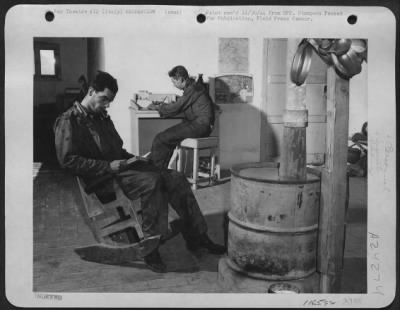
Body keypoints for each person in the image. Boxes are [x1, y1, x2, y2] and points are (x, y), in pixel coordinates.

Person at [54, 71, 225, 273]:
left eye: (109, 101)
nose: (107, 105)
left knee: (175, 177)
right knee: (152, 181)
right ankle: (151, 247)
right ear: (91, 91)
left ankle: (197, 237)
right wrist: (108, 166)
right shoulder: (69, 121)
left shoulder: (101, 117)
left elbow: (117, 149)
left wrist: (134, 158)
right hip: (102, 178)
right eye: (104, 99)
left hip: (119, 170)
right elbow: (68, 161)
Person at [146, 65, 215, 169]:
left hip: (201, 125)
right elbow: (183, 106)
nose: (173, 85)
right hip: (200, 124)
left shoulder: (193, 88)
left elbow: (175, 108)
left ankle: (156, 172)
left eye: (174, 82)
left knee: (161, 138)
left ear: (181, 79)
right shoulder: (193, 87)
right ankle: (159, 169)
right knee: (165, 139)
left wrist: (158, 107)